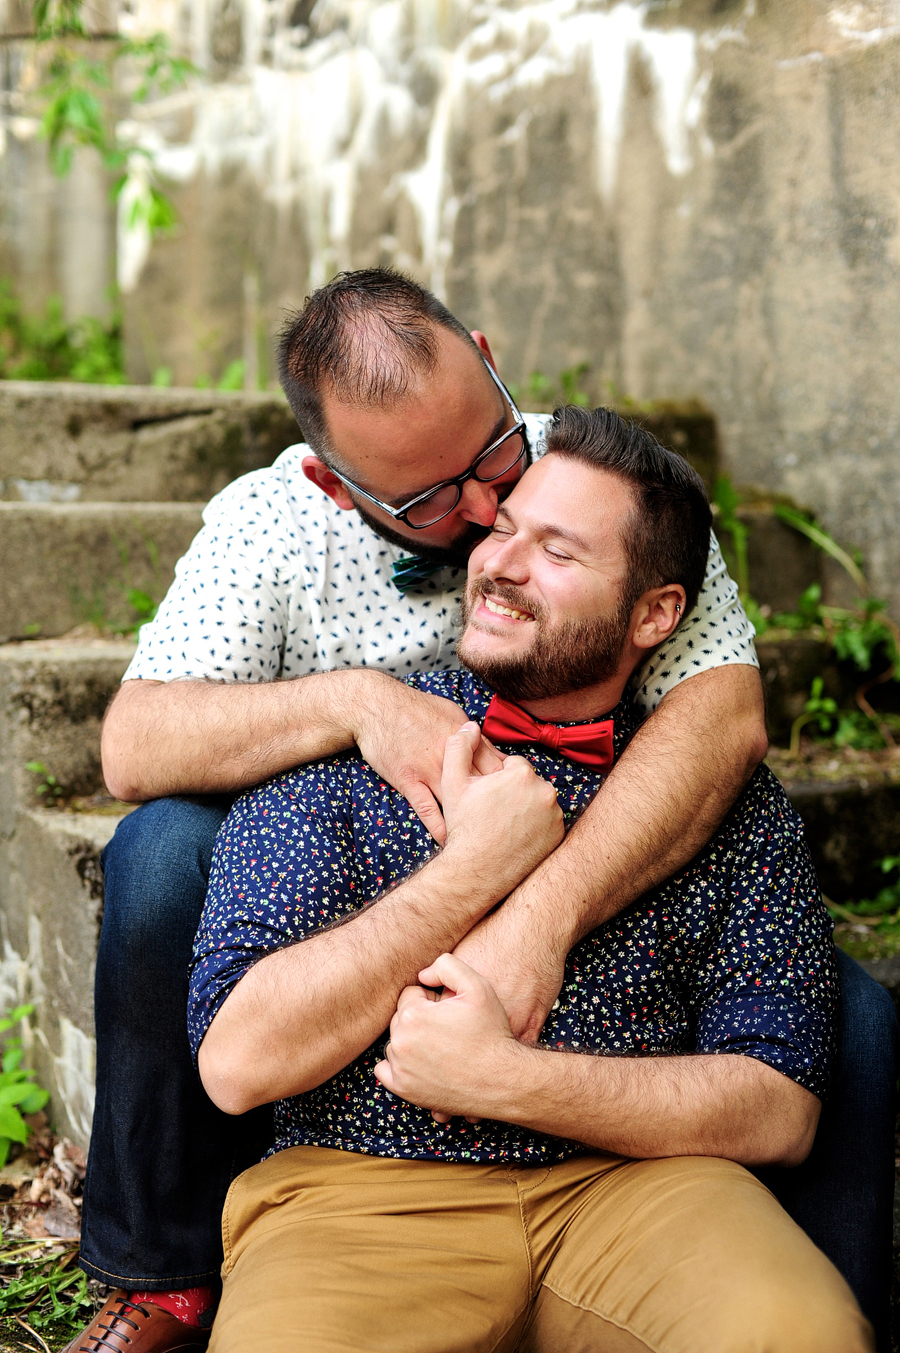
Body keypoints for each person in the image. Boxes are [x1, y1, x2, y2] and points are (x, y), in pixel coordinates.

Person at [68, 272, 894, 1352]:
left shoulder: (598, 476)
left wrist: (528, 932)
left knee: (853, 1031)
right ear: (332, 478)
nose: (481, 530)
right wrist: (359, 704)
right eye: (427, 502)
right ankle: (161, 1267)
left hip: (623, 1111)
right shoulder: (273, 534)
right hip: (361, 1066)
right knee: (163, 856)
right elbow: (134, 747)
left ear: (494, 364)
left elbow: (724, 714)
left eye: (498, 473)